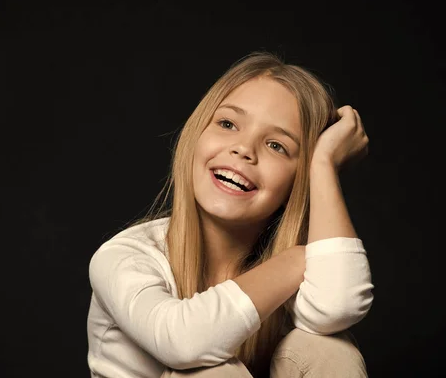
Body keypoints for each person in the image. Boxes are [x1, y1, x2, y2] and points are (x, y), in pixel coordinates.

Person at [86, 51, 375, 378]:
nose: (244, 149)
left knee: (330, 349)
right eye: (227, 123)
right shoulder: (125, 257)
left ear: (298, 181)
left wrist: (323, 165)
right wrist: (295, 260)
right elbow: (182, 341)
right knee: (209, 372)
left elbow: (338, 307)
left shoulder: (297, 256)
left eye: (276, 145)